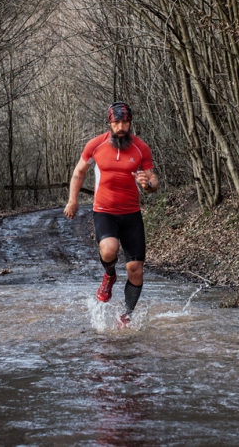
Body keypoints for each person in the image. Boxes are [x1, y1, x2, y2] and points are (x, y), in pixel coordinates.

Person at [63, 102, 159, 328]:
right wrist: (72, 200)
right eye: (117, 122)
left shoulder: (140, 148)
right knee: (108, 249)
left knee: (135, 269)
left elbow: (153, 181)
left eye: (125, 122)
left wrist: (148, 184)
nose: (121, 126)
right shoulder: (96, 145)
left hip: (131, 214)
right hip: (104, 211)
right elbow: (79, 172)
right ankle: (109, 275)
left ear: (130, 123)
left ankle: (126, 315)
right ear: (110, 122)